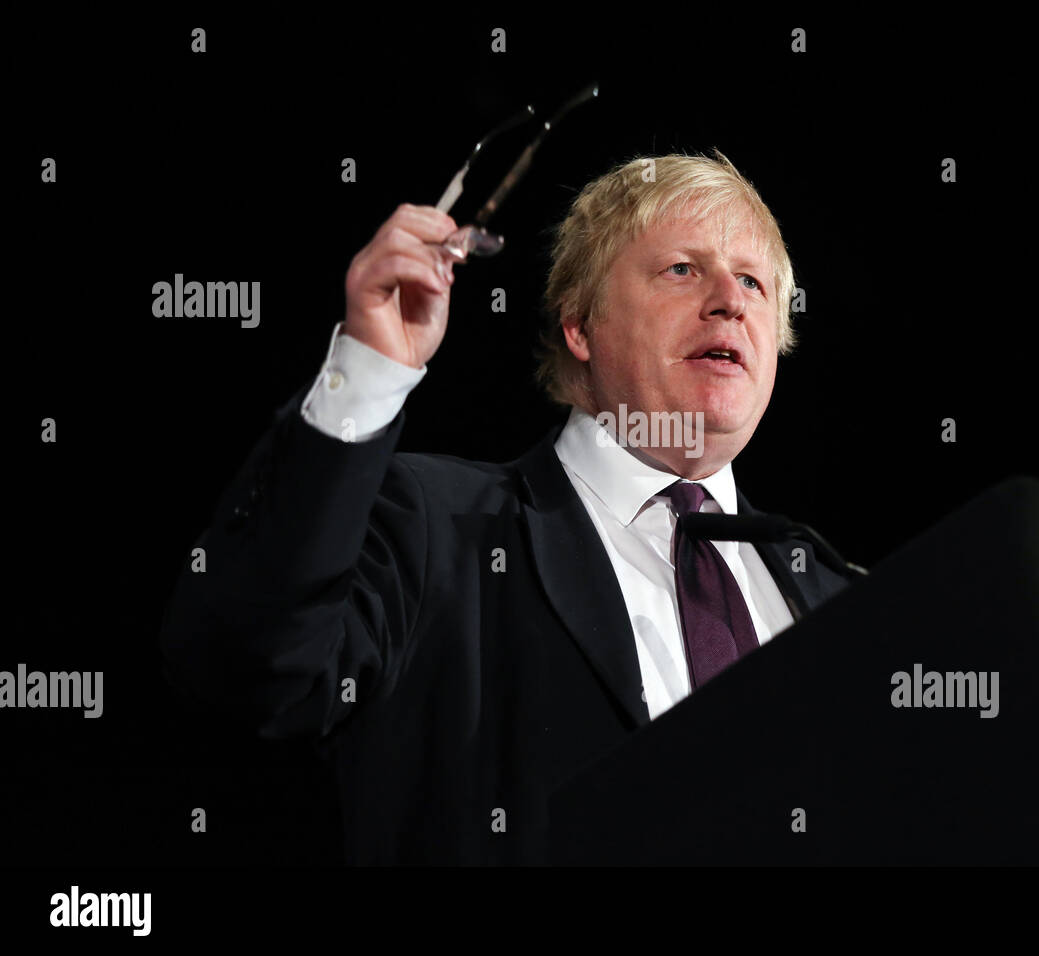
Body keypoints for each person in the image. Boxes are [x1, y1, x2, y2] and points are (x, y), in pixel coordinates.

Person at [159, 149, 853, 864]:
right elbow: (243, 667)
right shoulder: (440, 530)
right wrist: (368, 370)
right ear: (580, 323)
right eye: (682, 269)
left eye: (752, 281)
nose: (730, 300)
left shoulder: (835, 595)